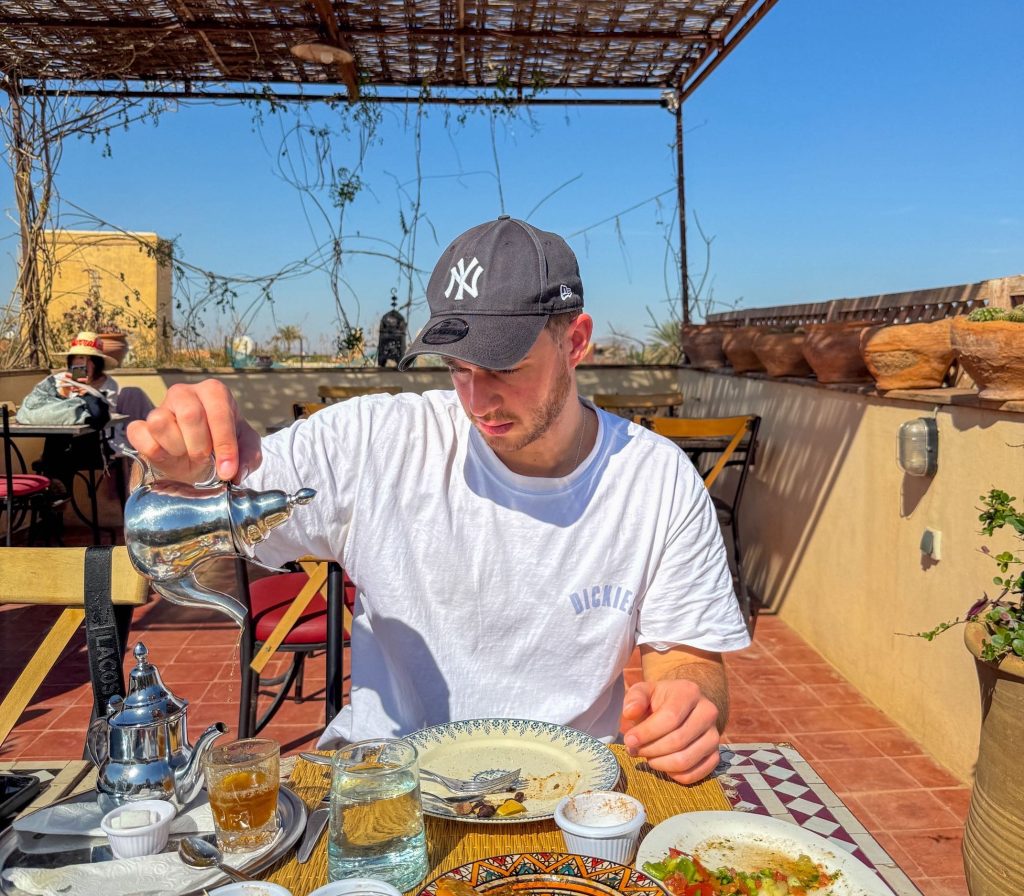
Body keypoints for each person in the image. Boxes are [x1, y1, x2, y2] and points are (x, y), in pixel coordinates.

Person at [127, 216, 751, 784]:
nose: (477, 401)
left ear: (576, 342)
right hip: (388, 784)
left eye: (505, 367)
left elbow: (689, 662)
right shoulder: (376, 442)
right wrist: (193, 457)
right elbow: (222, 494)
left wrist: (687, 706)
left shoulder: (657, 480)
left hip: (572, 787)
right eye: (457, 367)